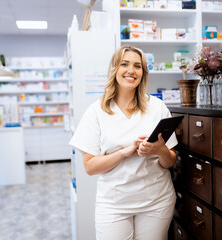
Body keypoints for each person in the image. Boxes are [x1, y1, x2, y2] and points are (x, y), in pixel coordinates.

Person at [70, 45, 178, 240]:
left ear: (143, 73)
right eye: (124, 64)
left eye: (137, 66)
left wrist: (160, 149)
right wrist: (123, 152)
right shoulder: (96, 111)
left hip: (156, 201)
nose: (131, 70)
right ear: (114, 70)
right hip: (114, 204)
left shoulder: (157, 107)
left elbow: (170, 161)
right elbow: (90, 167)